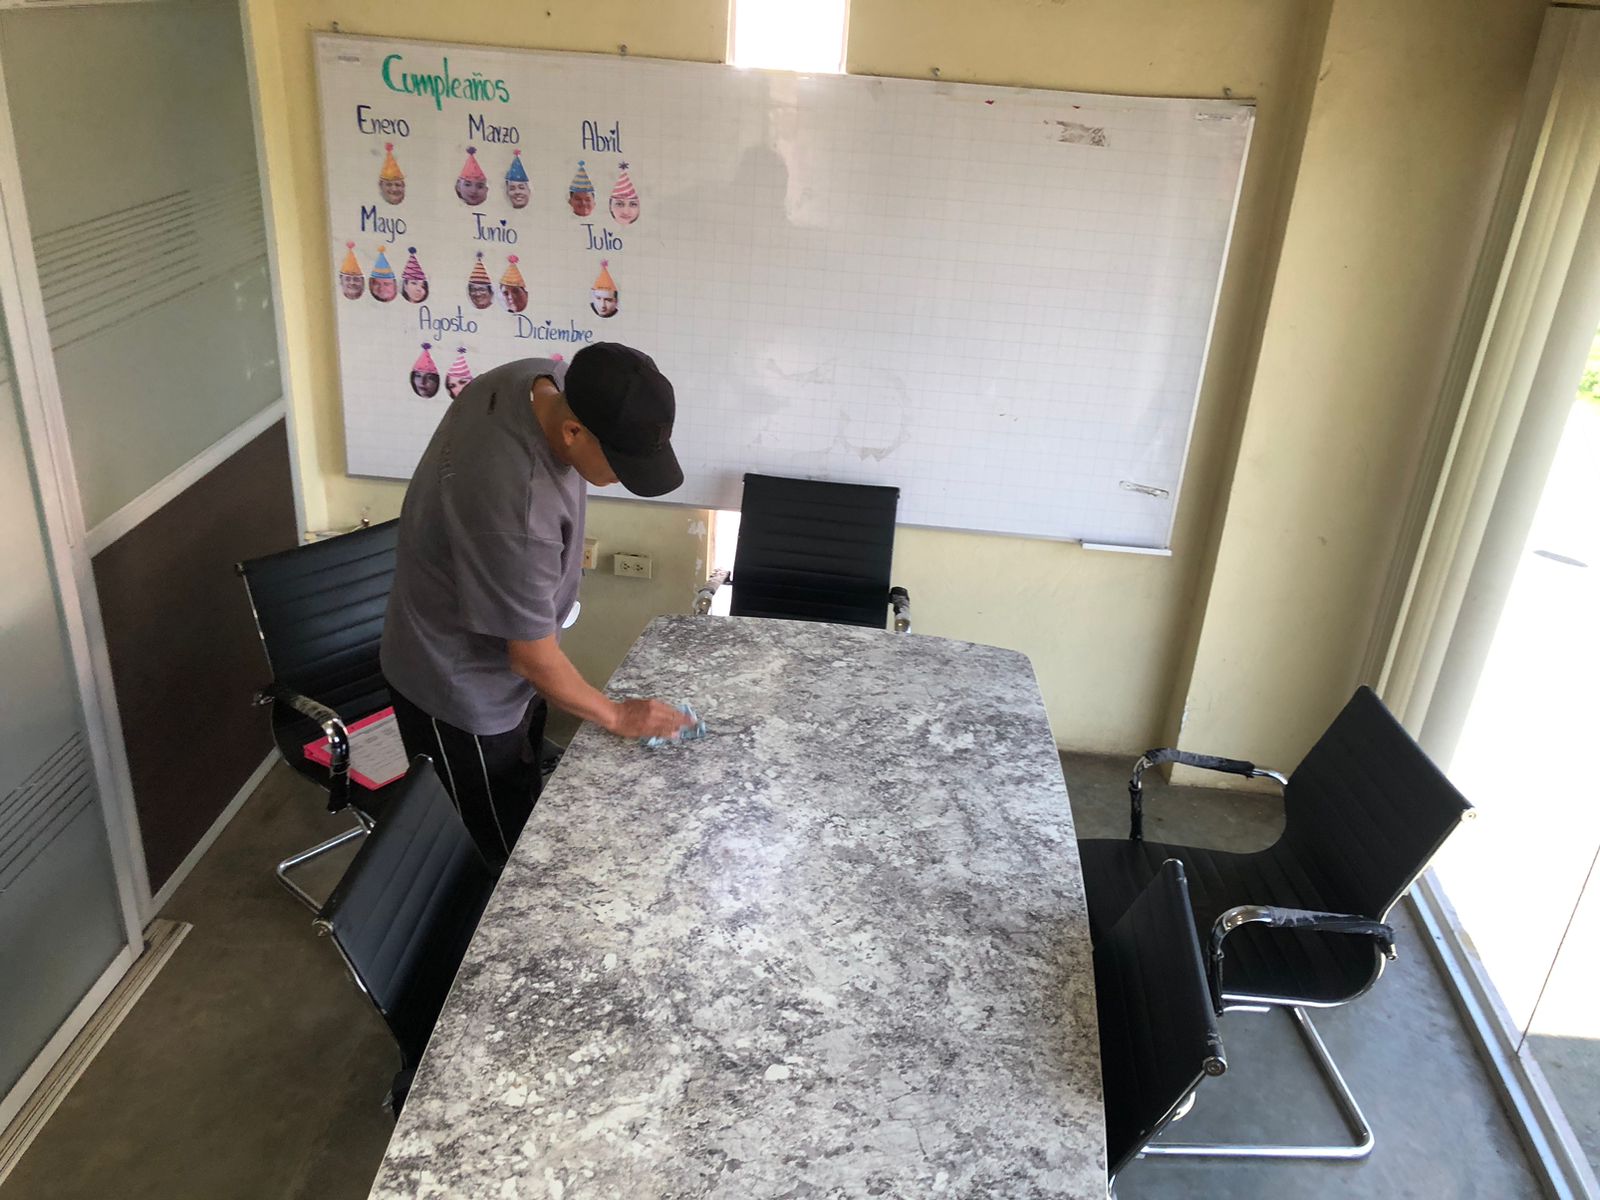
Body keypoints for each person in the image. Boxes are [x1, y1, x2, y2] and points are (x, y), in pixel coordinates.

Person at [381, 344, 692, 867]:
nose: (621, 478)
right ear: (573, 432)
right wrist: (617, 715)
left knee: (523, 795)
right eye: (619, 463)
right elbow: (532, 659)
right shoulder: (518, 512)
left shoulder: (535, 379)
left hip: (495, 650)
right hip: (457, 688)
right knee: (499, 852)